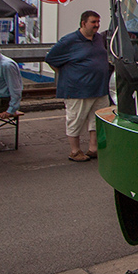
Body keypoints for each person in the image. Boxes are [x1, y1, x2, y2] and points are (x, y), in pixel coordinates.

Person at [44, 10, 111, 163]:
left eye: (98, 22)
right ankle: (75, 151)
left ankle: (93, 148)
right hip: (78, 90)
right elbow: (50, 59)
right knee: (76, 120)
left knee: (97, 120)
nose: (97, 25)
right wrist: (67, 74)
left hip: (100, 88)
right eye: (93, 22)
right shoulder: (69, 41)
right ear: (83, 23)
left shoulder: (98, 39)